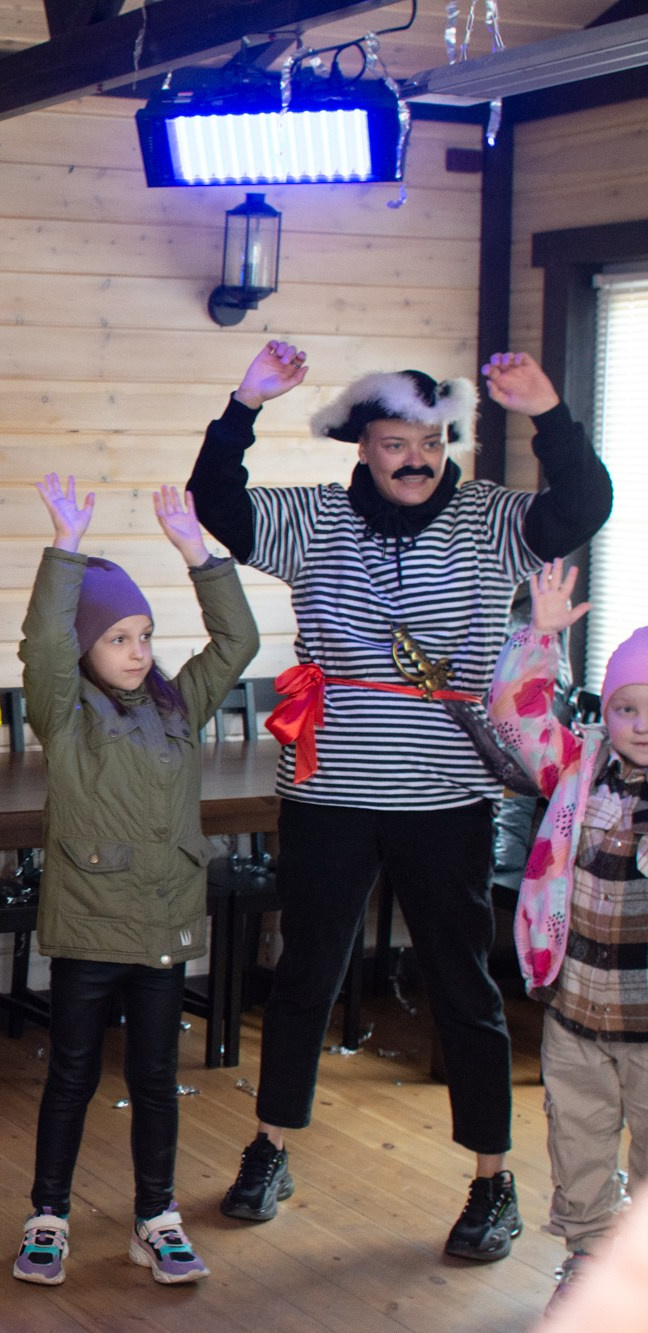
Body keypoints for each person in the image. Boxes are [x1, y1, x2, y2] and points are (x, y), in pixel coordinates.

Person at [186, 340, 614, 1259]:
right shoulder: (313, 521)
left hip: (449, 800)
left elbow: (586, 506)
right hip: (329, 792)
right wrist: (244, 403)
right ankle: (271, 1148)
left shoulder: (495, 519)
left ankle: (491, 1181)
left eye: (432, 438)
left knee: (464, 988)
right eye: (394, 441)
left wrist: (548, 411)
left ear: (449, 438)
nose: (416, 456)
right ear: (362, 447)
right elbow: (216, 503)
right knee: (304, 977)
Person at [11, 479, 260, 1287]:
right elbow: (42, 641)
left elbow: (238, 641)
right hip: (90, 926)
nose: (138, 648)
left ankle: (156, 1217)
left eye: (145, 633)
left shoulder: (179, 706)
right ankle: (48, 1214)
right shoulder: (65, 711)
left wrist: (198, 552)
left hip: (163, 926)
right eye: (118, 636)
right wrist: (65, 548)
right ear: (86, 648)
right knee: (73, 1076)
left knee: (157, 1078)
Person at [484, 563, 648, 1315]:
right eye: (625, 707)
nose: (640, 723)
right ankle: (585, 1255)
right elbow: (514, 710)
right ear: (605, 713)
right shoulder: (577, 770)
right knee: (578, 1148)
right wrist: (541, 635)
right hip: (576, 1011)